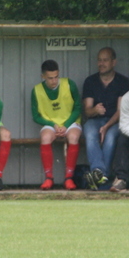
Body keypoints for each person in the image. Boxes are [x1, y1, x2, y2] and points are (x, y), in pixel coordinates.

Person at [81, 47, 129, 190]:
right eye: (99, 60)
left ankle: (100, 176)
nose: (101, 64)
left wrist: (106, 126)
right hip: (95, 120)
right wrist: (94, 110)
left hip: (115, 121)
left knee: (110, 137)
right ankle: (100, 173)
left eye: (105, 60)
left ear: (113, 62)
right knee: (89, 132)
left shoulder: (123, 81)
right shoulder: (90, 81)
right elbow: (87, 111)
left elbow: (121, 111)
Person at [31, 59, 83, 190]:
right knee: (45, 137)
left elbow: (78, 108)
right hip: (51, 123)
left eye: (56, 77)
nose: (54, 81)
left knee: (73, 137)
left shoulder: (69, 84)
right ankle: (49, 178)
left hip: (70, 122)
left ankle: (69, 178)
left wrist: (66, 125)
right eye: (50, 78)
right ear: (43, 76)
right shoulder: (36, 90)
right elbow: (36, 116)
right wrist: (52, 124)